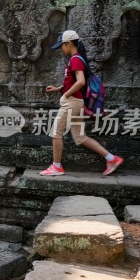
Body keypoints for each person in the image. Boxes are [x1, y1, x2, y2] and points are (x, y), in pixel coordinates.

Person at [40, 30, 123, 176]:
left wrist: (66, 94)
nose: (61, 49)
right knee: (80, 137)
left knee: (56, 133)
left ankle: (57, 166)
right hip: (76, 101)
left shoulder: (75, 59)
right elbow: (76, 82)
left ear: (69, 43)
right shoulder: (77, 58)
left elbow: (81, 82)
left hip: (71, 102)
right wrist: (59, 88)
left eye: (62, 46)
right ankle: (112, 159)